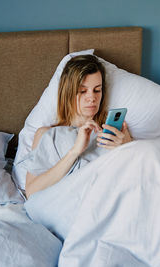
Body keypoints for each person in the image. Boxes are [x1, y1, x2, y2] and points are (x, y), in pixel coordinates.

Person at [25, 55, 133, 198]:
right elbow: (31, 192)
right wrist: (75, 151)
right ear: (68, 92)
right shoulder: (48, 134)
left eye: (97, 90)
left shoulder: (115, 131)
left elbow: (134, 175)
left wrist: (127, 146)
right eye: (83, 91)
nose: (92, 98)